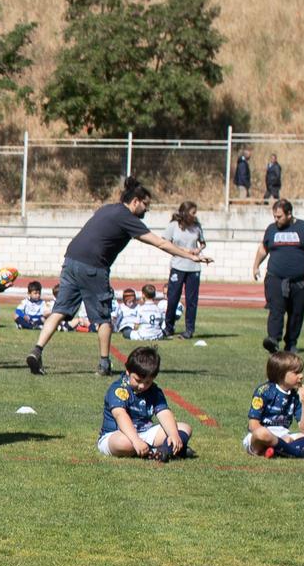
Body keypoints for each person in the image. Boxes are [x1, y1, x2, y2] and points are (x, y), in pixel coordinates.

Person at [25, 178, 210, 377]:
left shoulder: (107, 209)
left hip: (71, 260)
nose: (146, 210)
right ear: (136, 201)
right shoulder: (127, 218)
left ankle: (37, 350)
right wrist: (191, 256)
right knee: (104, 317)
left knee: (59, 310)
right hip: (93, 266)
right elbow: (161, 243)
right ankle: (104, 364)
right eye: (145, 205)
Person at [252, 197, 304, 354]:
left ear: (289, 214)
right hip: (275, 278)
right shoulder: (272, 229)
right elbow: (264, 249)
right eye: (274, 216)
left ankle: (291, 343)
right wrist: (256, 265)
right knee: (276, 309)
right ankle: (273, 340)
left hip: (300, 282)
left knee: (296, 313)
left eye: (279, 216)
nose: (276, 220)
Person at [99, 345, 191, 460]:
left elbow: (164, 413)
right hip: (118, 435)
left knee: (184, 428)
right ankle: (163, 450)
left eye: (147, 382)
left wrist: (173, 434)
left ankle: (163, 450)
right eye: (138, 380)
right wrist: (136, 440)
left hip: (144, 433)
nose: (142, 386)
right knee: (124, 442)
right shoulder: (118, 389)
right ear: (128, 371)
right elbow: (120, 415)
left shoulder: (154, 391)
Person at [245, 350, 304, 458]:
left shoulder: (295, 394)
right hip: (260, 439)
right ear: (281, 374)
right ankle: (299, 453)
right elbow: (253, 425)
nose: (301, 375)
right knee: (262, 433)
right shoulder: (264, 391)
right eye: (296, 372)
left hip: (285, 436)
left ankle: (277, 451)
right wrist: (277, 438)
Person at [163, 200, 206, 339]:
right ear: (185, 213)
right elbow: (165, 242)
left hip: (193, 268)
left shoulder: (197, 226)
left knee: (191, 300)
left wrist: (197, 251)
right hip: (178, 266)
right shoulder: (173, 226)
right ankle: (168, 328)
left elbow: (203, 243)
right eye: (193, 213)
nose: (195, 215)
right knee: (173, 297)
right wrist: (184, 250)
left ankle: (189, 330)